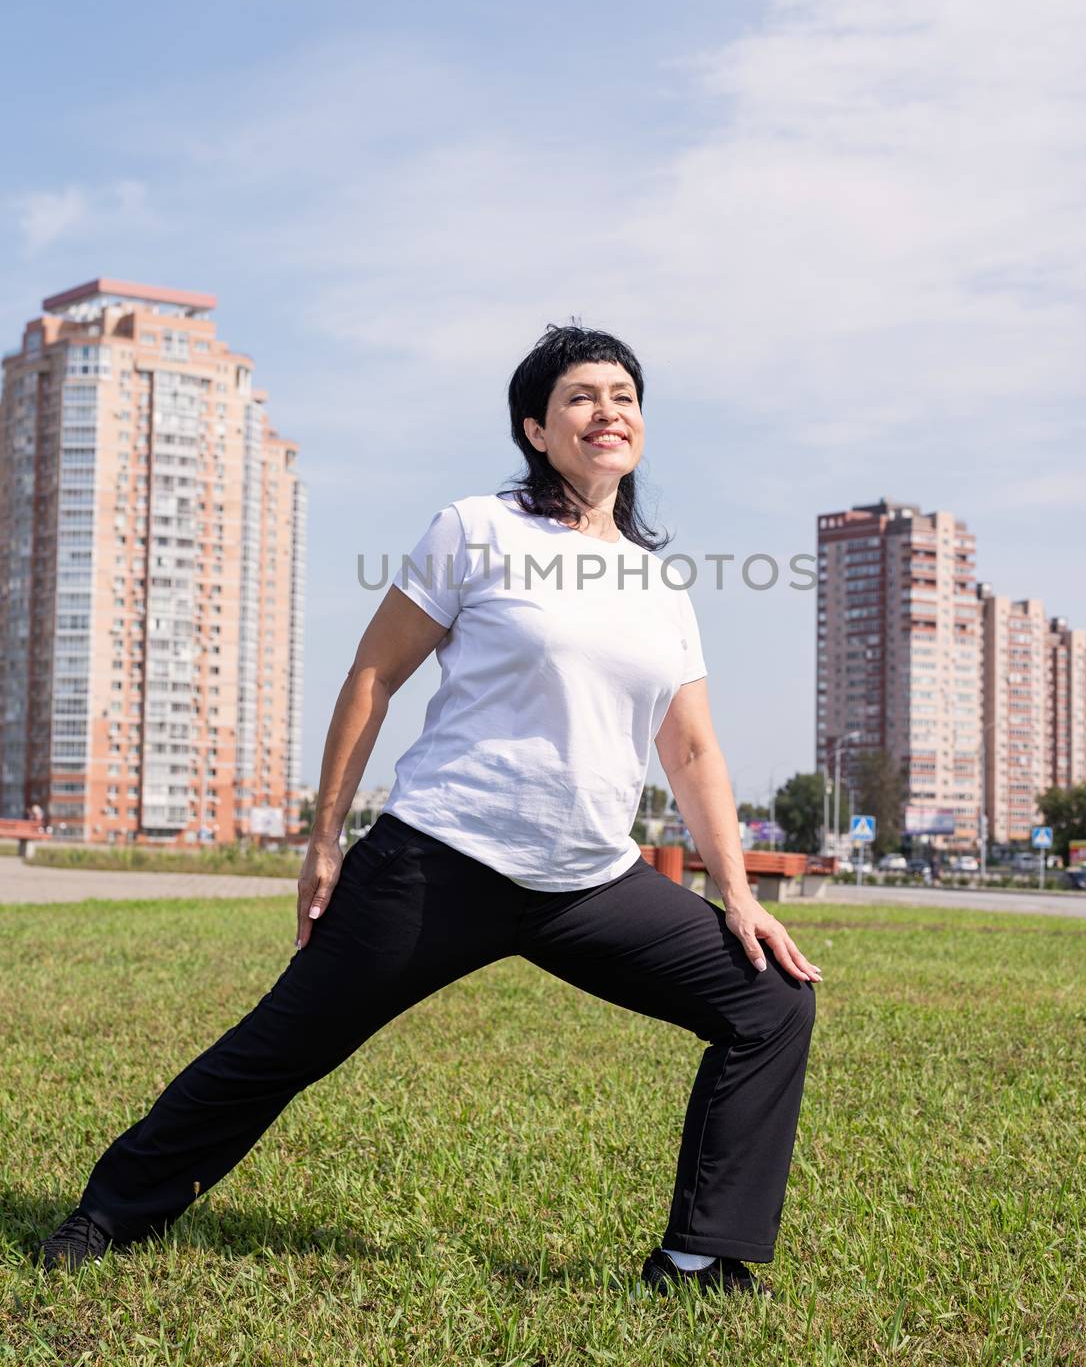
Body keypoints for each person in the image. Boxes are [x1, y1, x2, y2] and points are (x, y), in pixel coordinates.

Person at [40, 322, 820, 1297]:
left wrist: (736, 895)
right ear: (537, 428)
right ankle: (108, 1213)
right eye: (581, 395)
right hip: (439, 863)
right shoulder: (477, 529)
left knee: (769, 999)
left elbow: (693, 749)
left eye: (624, 394)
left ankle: (699, 1257)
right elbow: (374, 674)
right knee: (282, 1047)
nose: (607, 410)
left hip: (588, 881)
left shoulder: (657, 583)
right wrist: (325, 837)